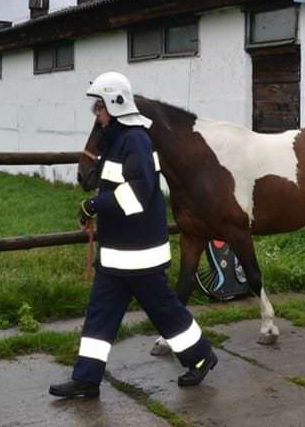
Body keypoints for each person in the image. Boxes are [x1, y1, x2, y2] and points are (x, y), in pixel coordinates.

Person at [50, 72, 216, 399]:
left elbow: (138, 194)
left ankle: (200, 357)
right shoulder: (117, 139)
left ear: (114, 104)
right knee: (100, 315)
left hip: (139, 253)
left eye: (99, 108)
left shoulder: (137, 140)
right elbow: (110, 179)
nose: (96, 115)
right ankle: (86, 379)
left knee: (165, 312)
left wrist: (96, 203)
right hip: (117, 254)